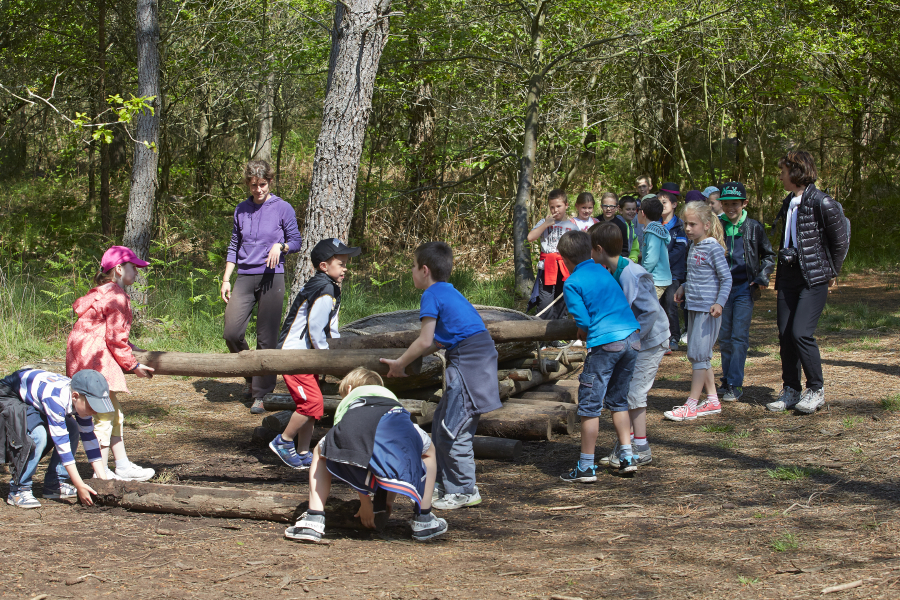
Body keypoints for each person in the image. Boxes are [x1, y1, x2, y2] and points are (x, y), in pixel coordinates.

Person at [381, 242, 501, 509]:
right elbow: (439, 340)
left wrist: (399, 363)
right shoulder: (449, 291)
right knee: (441, 424)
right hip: (469, 361)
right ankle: (445, 482)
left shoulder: (432, 294)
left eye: (412, 266)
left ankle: (464, 490)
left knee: (453, 430)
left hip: (471, 365)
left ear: (425, 270)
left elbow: (425, 341)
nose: (411, 271)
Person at [284, 368, 448, 543]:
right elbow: (385, 455)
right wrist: (388, 501)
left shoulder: (350, 403)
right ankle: (424, 518)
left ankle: (313, 519)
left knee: (320, 451)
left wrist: (365, 502)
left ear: (348, 389)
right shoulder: (389, 397)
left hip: (363, 431)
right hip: (400, 427)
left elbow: (356, 453)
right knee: (429, 453)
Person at [766, 151, 849, 414]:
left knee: (801, 333)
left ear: (796, 171)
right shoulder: (788, 201)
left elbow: (841, 239)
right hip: (787, 275)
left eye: (783, 170)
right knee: (785, 334)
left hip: (813, 277)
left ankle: (816, 390)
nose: (780, 175)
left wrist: (831, 271)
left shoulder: (822, 202)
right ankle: (791, 390)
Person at [555, 230, 641, 480]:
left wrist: (583, 330)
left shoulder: (572, 282)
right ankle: (627, 456)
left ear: (565, 259)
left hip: (607, 343)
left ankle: (586, 466)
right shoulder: (603, 270)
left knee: (590, 406)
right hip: (632, 339)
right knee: (618, 401)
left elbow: (582, 319)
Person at [66, 245, 156, 481]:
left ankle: (122, 464)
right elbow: (115, 339)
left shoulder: (99, 291)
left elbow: (106, 331)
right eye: (133, 267)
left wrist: (133, 349)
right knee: (105, 416)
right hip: (96, 362)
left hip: (82, 359)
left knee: (114, 414)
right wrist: (133, 365)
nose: (137, 272)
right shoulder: (116, 296)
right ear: (118, 269)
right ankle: (101, 472)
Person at [270, 239, 361, 470]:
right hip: (295, 355)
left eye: (345, 263)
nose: (345, 268)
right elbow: (315, 326)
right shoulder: (325, 288)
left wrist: (337, 350)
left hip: (306, 355)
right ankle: (284, 441)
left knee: (313, 406)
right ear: (323, 266)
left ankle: (303, 451)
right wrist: (327, 358)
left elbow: (331, 327)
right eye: (340, 263)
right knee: (311, 403)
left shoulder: (327, 285)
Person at [222, 160, 302, 414]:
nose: (258, 190)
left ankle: (261, 393)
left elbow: (296, 241)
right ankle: (250, 373)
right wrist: (226, 279)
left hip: (272, 277)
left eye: (263, 184)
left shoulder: (283, 208)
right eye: (254, 185)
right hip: (245, 276)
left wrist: (281, 246)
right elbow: (234, 245)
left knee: (266, 338)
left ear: (270, 182)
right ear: (248, 184)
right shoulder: (241, 209)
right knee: (232, 333)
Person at [589, 223, 669, 468]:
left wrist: (633, 339)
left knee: (634, 394)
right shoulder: (612, 270)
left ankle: (641, 448)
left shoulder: (632, 273)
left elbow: (651, 311)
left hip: (649, 341)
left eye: (590, 248)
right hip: (635, 341)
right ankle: (628, 445)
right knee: (625, 392)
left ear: (599, 249)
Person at [1, 368, 112, 508]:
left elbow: (89, 438)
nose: (94, 411)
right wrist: (79, 485)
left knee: (72, 428)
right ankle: (18, 489)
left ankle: (54, 483)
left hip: (37, 398)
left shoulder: (81, 401)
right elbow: (62, 446)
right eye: (92, 406)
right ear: (75, 396)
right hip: (10, 394)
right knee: (38, 435)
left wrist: (102, 481)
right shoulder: (55, 398)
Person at [664, 202, 732, 421]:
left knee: (698, 355)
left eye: (693, 224)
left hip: (708, 310)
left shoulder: (712, 247)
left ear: (706, 224)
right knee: (699, 355)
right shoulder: (693, 246)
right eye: (686, 223)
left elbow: (726, 278)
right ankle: (712, 400)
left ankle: (691, 405)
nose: (688, 228)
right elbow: (694, 275)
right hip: (693, 307)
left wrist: (719, 303)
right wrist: (684, 287)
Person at [717, 182, 776, 402]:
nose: (730, 208)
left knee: (739, 337)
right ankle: (726, 379)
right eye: (726, 204)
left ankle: (735, 383)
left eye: (735, 203)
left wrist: (762, 277)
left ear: (744, 203)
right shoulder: (716, 225)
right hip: (722, 290)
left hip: (744, 288)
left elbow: (769, 255)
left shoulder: (753, 227)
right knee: (724, 338)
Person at [526, 189, 576, 320]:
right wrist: (545, 225)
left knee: (562, 302)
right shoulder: (544, 222)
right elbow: (530, 237)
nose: (555, 210)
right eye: (552, 207)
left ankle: (557, 337)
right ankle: (543, 338)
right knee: (545, 302)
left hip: (565, 268)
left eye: (559, 206)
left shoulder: (572, 226)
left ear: (566, 205)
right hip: (547, 267)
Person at [658, 186, 688, 351]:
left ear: (674, 204)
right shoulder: (654, 224)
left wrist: (662, 261)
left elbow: (680, 250)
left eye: (665, 202)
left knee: (670, 304)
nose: (661, 205)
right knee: (656, 305)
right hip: (656, 274)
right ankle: (659, 338)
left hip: (673, 274)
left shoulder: (680, 226)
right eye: (659, 203)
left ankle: (673, 337)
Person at [637, 196, 672, 300]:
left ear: (642, 213)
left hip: (656, 278)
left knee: (649, 308)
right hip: (657, 277)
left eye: (637, 210)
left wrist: (642, 273)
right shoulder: (655, 228)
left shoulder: (652, 233)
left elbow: (652, 258)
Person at [616, 195, 642, 262]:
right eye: (628, 209)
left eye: (633, 209)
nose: (631, 212)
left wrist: (633, 259)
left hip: (627, 263)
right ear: (620, 210)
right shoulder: (616, 225)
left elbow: (635, 249)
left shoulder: (633, 228)